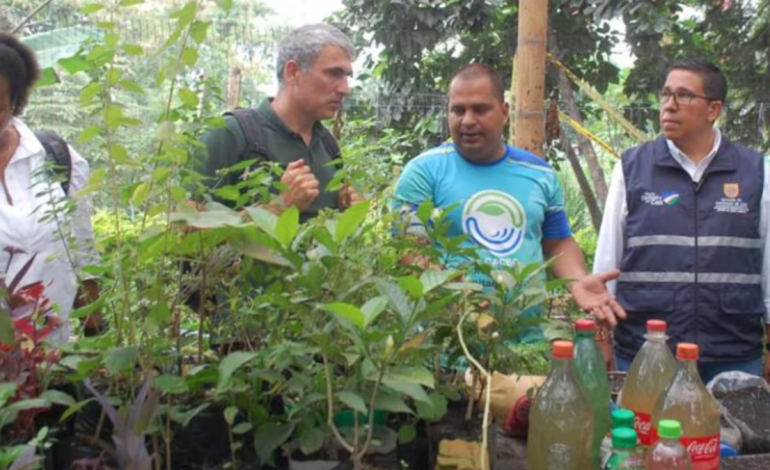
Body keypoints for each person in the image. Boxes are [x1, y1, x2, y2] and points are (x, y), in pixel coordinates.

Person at [391, 63, 625, 343]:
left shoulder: (539, 173)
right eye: (458, 110)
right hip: (448, 345)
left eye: (480, 109)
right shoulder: (423, 172)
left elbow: (557, 241)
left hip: (525, 347)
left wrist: (577, 281)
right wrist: (455, 295)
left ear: (504, 112)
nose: (467, 120)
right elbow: (409, 249)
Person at [593, 59, 770, 383]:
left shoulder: (756, 172)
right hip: (646, 350)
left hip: (732, 352)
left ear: (713, 109)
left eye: (684, 95)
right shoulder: (632, 167)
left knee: (736, 420)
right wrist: (600, 338)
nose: (669, 105)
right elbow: (606, 264)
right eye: (666, 94)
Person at [196, 23, 362, 220]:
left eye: (346, 76)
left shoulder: (327, 144)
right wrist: (278, 209)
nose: (345, 89)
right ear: (293, 73)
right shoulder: (229, 134)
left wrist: (349, 211)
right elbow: (181, 231)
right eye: (333, 74)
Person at [0, 32, 101, 344]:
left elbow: (81, 254)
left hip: (47, 357)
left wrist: (97, 335)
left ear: (14, 104)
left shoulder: (55, 158)